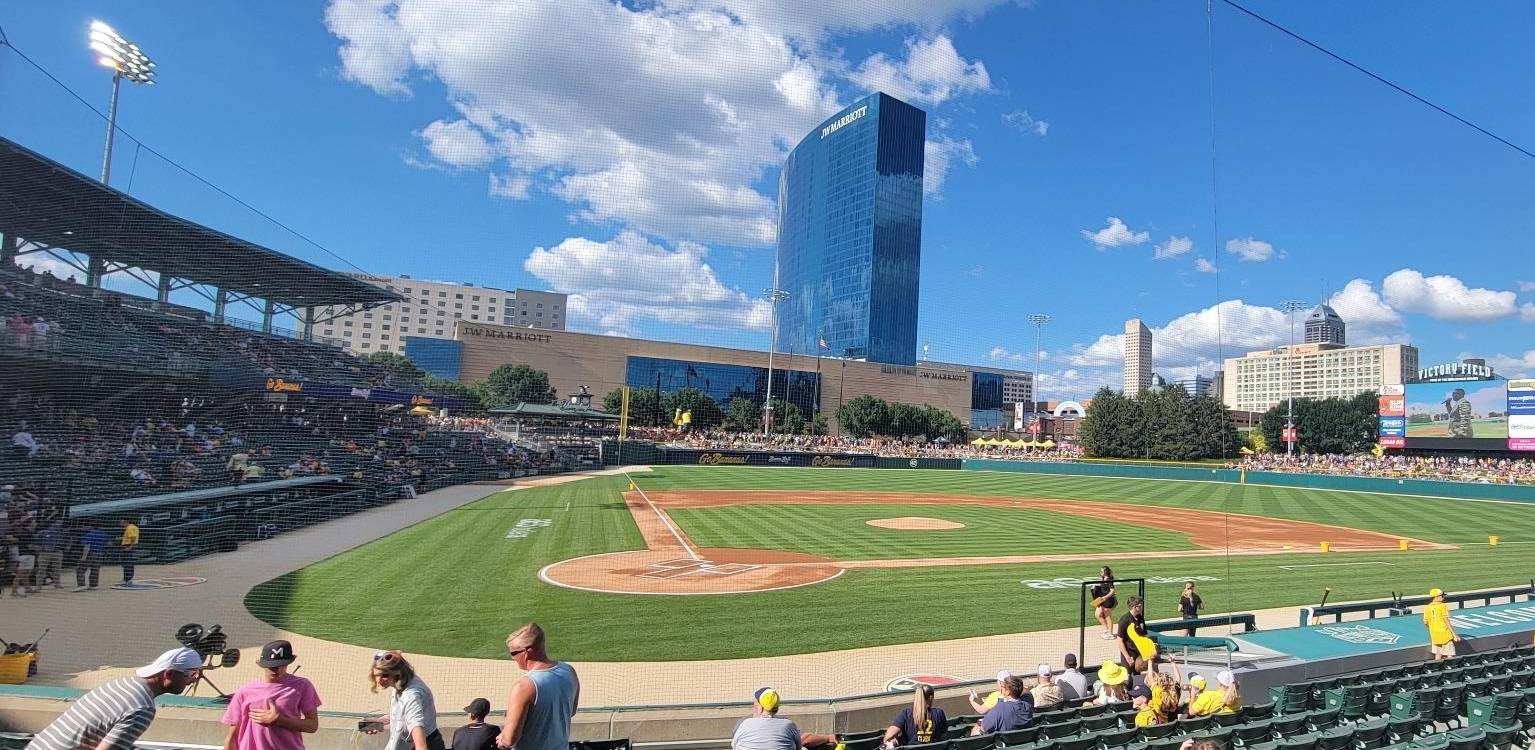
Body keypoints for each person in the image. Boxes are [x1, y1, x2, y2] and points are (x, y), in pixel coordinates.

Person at [27, 647, 202, 750]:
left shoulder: (121, 683)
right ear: (169, 674)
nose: (194, 679)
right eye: (192, 674)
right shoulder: (142, 708)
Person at [221, 640, 322, 750]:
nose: (276, 669)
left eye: (281, 665)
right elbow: (232, 736)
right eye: (271, 666)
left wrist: (279, 720)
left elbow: (312, 726)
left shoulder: (302, 686)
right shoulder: (245, 691)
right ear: (261, 664)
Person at [496, 623, 579, 750]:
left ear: (525, 652)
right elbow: (571, 712)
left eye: (513, 653)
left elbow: (509, 740)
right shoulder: (569, 671)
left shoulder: (524, 686)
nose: (512, 658)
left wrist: (502, 737)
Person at [363, 650, 443, 750]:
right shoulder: (402, 681)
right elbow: (402, 714)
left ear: (397, 673)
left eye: (385, 675)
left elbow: (421, 746)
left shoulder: (411, 696)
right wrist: (378, 722)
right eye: (376, 675)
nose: (378, 680)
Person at [731, 688, 800, 750]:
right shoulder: (788, 724)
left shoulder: (745, 723)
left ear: (760, 708)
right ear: (777, 708)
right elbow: (798, 746)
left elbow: (734, 746)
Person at [882, 683, 947, 748]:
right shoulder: (939, 713)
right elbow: (943, 735)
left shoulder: (906, 714)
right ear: (931, 697)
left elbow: (888, 736)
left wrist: (895, 740)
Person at [1423, 588, 1460, 660]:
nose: (1443, 597)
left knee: (1438, 654)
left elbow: (1425, 622)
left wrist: (1432, 628)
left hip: (1435, 635)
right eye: (1442, 596)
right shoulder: (1443, 606)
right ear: (1437, 597)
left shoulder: (1427, 607)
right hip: (1445, 633)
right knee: (1449, 654)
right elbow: (1446, 621)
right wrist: (1454, 635)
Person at [74, 522, 109, 592]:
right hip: (100, 553)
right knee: (95, 570)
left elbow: (87, 546)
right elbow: (107, 543)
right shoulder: (104, 534)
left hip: (90, 554)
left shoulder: (90, 534)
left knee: (80, 569)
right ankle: (93, 585)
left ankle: (82, 585)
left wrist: (84, 556)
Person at [1116, 596, 1146, 670]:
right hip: (1129, 654)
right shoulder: (1124, 620)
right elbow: (1120, 640)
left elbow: (1144, 635)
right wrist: (1127, 657)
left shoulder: (1140, 618)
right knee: (1127, 677)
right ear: (1134, 607)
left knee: (1139, 676)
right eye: (1140, 606)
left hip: (1139, 654)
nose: (1142, 607)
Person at [1091, 567, 1118, 640]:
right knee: (1097, 614)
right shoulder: (1103, 578)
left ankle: (1111, 634)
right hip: (1101, 599)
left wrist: (1105, 597)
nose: (1100, 572)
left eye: (1102, 571)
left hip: (1108, 600)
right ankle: (1107, 629)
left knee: (1107, 616)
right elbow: (1102, 587)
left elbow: (1112, 591)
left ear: (1105, 572)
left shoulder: (1109, 579)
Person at [119, 518, 140, 585]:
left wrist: (130, 547)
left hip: (128, 546)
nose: (120, 523)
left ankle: (127, 579)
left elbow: (133, 537)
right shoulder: (134, 527)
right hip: (130, 545)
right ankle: (128, 578)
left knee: (127, 563)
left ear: (126, 522)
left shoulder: (129, 528)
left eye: (122, 522)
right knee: (129, 563)